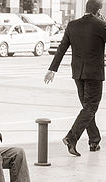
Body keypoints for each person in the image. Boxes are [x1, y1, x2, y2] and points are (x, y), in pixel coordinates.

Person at [44, 0, 106, 156]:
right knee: (90, 107)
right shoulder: (101, 25)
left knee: (87, 109)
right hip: (94, 74)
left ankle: (94, 141)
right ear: (98, 11)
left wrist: (52, 69)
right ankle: (71, 138)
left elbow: (62, 48)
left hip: (78, 73)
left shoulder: (72, 25)